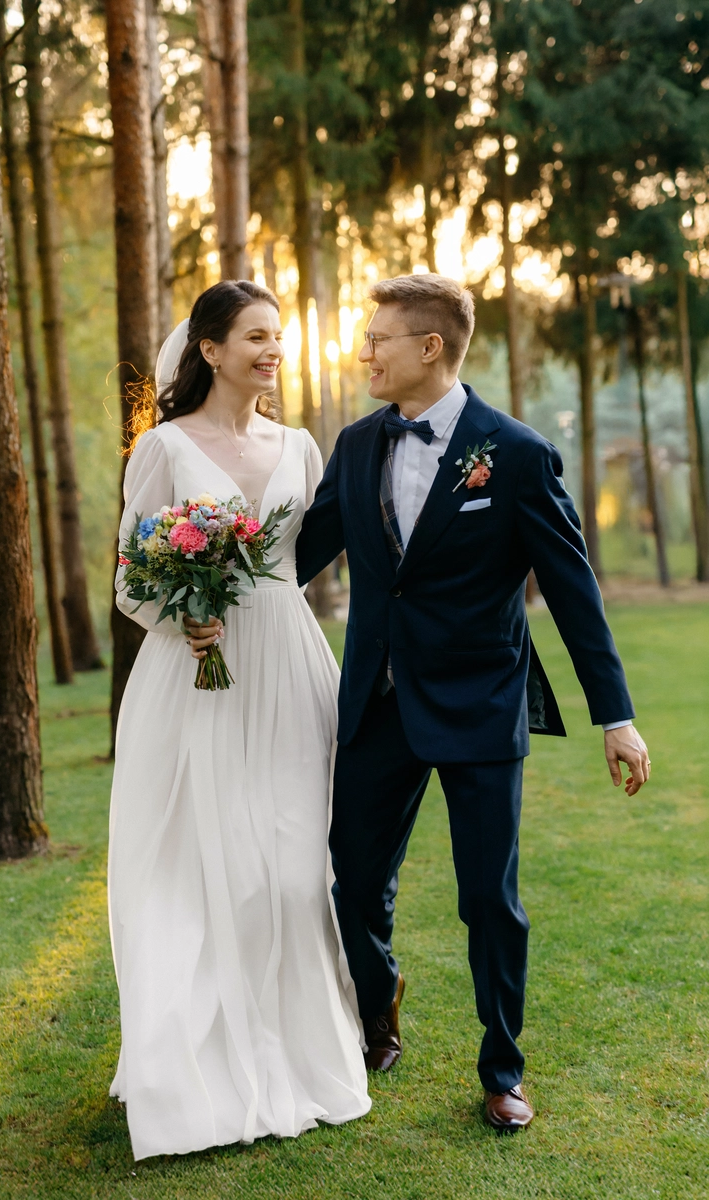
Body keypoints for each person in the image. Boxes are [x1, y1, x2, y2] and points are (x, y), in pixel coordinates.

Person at [293, 273, 650, 1133]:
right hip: (377, 704)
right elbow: (296, 556)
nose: (364, 352)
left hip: (482, 704)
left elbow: (572, 589)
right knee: (351, 882)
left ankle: (503, 1068)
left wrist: (616, 715)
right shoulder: (356, 443)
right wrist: (202, 584)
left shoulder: (516, 452)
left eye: (378, 338)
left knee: (489, 898)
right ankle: (378, 1000)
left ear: (430, 347)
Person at [108, 280, 370, 1161]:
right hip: (197, 675)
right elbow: (128, 578)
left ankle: (299, 1053)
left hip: (290, 665)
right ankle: (195, 1071)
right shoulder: (164, 447)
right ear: (210, 350)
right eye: (255, 336)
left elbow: (323, 551)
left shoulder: (301, 446)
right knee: (204, 865)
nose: (272, 351)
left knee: (294, 866)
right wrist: (179, 614)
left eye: (277, 336)